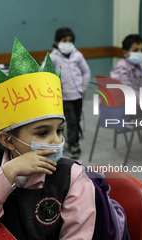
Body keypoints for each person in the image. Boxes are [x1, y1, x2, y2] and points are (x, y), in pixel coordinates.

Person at [0, 39, 96, 240]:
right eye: (42, 133)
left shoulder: (73, 177)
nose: (55, 141)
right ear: (8, 140)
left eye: (59, 130)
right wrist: (9, 172)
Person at [42, 27, 90, 159]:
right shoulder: (52, 57)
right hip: (63, 97)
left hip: (77, 95)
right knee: (70, 121)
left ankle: (73, 140)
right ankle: (72, 144)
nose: (67, 43)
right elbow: (44, 75)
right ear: (57, 42)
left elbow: (86, 71)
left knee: (77, 118)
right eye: (64, 40)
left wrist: (83, 87)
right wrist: (55, 84)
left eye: (70, 40)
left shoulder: (77, 55)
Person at [110, 34, 142, 111]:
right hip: (120, 103)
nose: (140, 53)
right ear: (125, 53)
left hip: (134, 101)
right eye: (136, 50)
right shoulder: (121, 67)